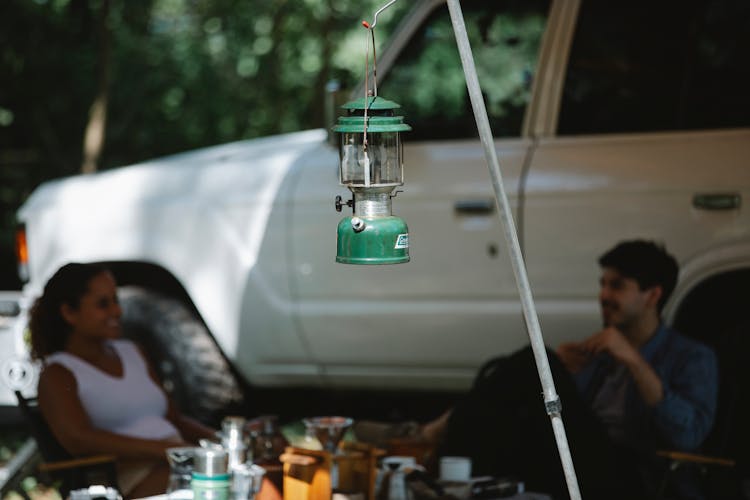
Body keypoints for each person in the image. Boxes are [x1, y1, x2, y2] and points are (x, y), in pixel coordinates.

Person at [359, 240, 719, 498]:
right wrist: (563, 368)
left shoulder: (691, 357)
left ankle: (424, 437)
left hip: (633, 475)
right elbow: (574, 413)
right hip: (579, 458)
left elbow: (687, 436)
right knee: (520, 387)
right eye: (603, 284)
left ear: (652, 295)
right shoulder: (602, 350)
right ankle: (434, 470)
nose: (604, 295)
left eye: (617, 286)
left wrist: (634, 361)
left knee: (536, 362)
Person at [29, 263, 218, 498]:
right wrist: (161, 449)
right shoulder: (58, 373)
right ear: (69, 313)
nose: (117, 311)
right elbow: (79, 439)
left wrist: (220, 438)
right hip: (127, 474)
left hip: (178, 460)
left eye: (115, 300)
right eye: (103, 304)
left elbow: (174, 419)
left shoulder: (132, 351)